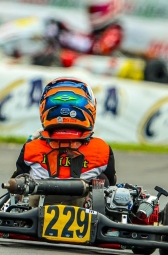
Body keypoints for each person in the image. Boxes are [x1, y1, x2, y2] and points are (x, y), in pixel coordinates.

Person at [12, 77, 116, 205]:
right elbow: (111, 186)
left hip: (35, 213)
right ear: (89, 107)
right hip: (88, 216)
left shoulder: (32, 147)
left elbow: (15, 186)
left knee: (20, 182)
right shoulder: (101, 149)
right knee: (103, 181)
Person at [45, 0, 125, 58]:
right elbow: (88, 39)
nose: (94, 13)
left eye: (98, 9)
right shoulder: (98, 32)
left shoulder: (115, 31)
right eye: (92, 9)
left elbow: (98, 50)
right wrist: (65, 30)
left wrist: (68, 40)